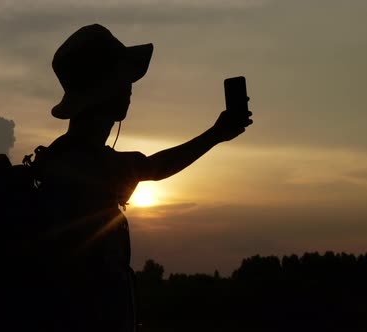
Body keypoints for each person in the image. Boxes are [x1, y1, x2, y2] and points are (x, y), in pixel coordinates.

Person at [32, 24, 253, 332]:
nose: (130, 88)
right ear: (106, 88)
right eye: (123, 80)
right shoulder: (85, 164)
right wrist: (215, 135)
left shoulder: (57, 156)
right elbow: (152, 168)